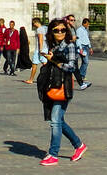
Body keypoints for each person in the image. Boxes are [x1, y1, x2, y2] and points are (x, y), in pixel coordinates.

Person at [37, 18, 87, 166]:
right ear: (51, 32)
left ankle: (53, 154)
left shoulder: (69, 46)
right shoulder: (54, 46)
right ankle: (79, 145)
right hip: (53, 85)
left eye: (63, 30)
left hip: (63, 87)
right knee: (59, 120)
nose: (60, 33)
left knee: (55, 121)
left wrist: (55, 61)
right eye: (56, 30)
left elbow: (72, 67)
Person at [25, 17, 46, 84]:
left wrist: (40, 49)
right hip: (43, 48)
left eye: (33, 23)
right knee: (35, 64)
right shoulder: (45, 28)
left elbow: (40, 39)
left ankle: (50, 78)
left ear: (36, 23)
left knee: (44, 64)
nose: (33, 25)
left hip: (40, 49)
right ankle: (31, 79)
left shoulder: (39, 29)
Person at [75, 17, 93, 89]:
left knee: (84, 62)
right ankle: (81, 75)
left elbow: (87, 39)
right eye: (87, 24)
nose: (88, 25)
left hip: (86, 46)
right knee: (86, 61)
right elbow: (78, 39)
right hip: (81, 46)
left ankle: (81, 75)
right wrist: (80, 48)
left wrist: (90, 47)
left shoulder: (85, 30)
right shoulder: (79, 30)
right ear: (84, 23)